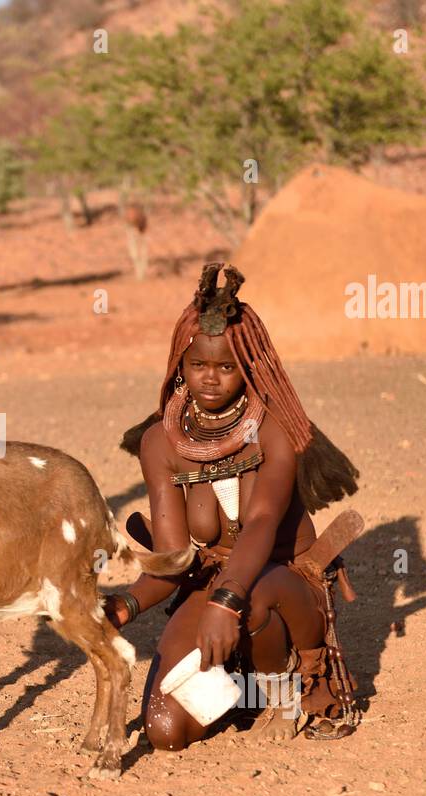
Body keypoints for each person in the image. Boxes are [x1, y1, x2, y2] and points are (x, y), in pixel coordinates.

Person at [105, 263, 362, 750]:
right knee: (165, 732)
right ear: (179, 363)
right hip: (213, 587)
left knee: (257, 592)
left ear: (249, 367)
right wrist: (125, 605)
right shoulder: (160, 443)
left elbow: (262, 522)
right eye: (199, 365)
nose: (211, 379)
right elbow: (174, 560)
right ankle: (243, 690)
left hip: (284, 584)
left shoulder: (274, 432)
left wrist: (226, 602)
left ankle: (287, 692)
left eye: (227, 368)